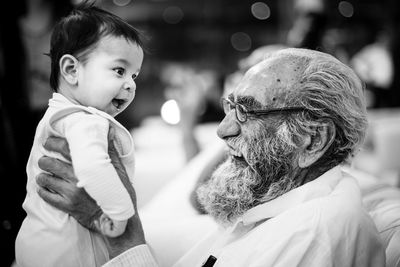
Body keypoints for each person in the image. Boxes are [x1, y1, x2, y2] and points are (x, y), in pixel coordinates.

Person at [36, 48, 385, 266]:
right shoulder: (276, 199)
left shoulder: (315, 234)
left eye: (246, 113)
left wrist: (118, 232)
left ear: (312, 140)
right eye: (228, 107)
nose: (223, 130)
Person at [15, 3, 144, 267]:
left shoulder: (57, 115)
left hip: (42, 241)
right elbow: (93, 166)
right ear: (72, 70)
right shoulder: (82, 120)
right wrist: (121, 215)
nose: (130, 84)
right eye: (119, 70)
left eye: (134, 75)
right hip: (65, 252)